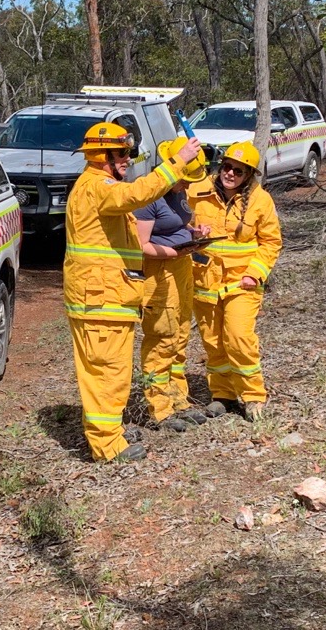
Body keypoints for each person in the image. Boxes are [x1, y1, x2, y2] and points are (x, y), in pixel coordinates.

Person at [64, 122, 201, 462]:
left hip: (109, 296)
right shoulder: (97, 186)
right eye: (122, 153)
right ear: (101, 154)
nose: (128, 159)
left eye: (129, 152)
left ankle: (112, 430)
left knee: (114, 369)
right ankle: (107, 446)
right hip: (98, 299)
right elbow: (137, 195)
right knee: (106, 370)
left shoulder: (102, 186)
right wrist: (178, 160)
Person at [187, 141, 283, 422]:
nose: (230, 174)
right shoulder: (198, 190)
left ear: (249, 175)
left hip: (243, 284)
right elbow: (178, 221)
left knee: (239, 338)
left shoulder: (260, 200)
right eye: (227, 167)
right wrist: (192, 231)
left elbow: (271, 242)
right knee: (213, 342)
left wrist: (254, 272)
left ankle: (253, 395)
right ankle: (223, 395)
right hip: (205, 283)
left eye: (238, 171)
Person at [134, 138, 211, 432]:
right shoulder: (148, 196)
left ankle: (178, 399)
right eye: (184, 180)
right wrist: (174, 251)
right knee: (161, 336)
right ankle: (159, 407)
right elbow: (141, 245)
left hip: (182, 266)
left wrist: (194, 231)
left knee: (179, 333)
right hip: (159, 272)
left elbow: (177, 224)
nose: (186, 187)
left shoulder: (178, 193)